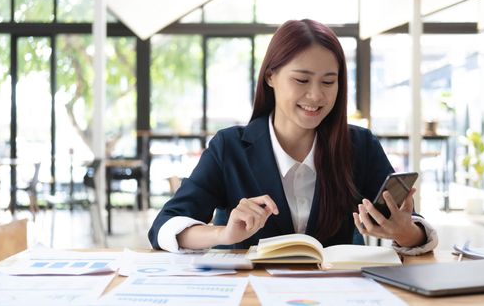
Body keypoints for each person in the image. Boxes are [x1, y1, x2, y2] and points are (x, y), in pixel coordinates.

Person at [148, 19, 438, 254]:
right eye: (301, 80)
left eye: (328, 81)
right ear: (271, 77)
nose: (316, 95)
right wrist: (222, 233)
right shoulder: (230, 147)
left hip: (337, 296)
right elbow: (165, 226)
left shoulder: (359, 147)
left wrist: (404, 232)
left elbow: (416, 230)